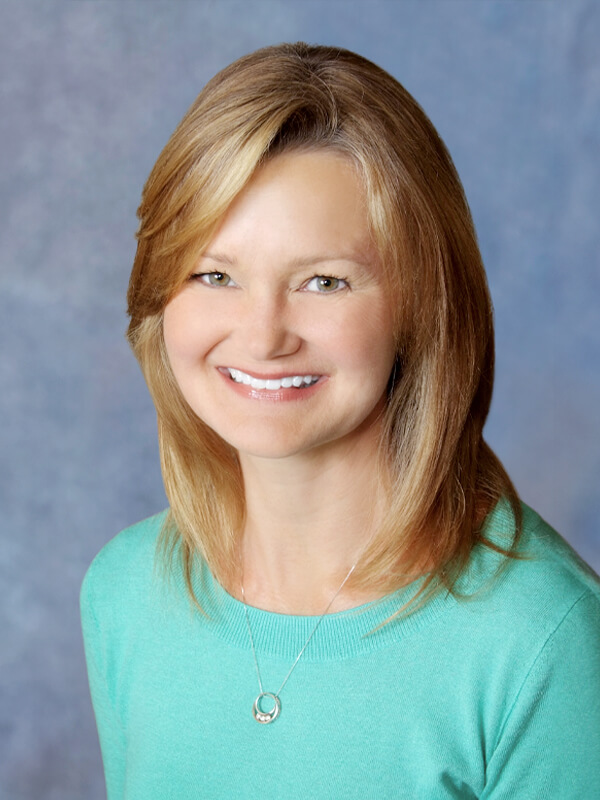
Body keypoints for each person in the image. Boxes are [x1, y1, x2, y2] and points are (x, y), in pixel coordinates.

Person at [81, 43, 600, 799]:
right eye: (214, 275)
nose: (262, 336)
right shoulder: (126, 594)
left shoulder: (542, 644)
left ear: (423, 305)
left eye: (325, 281)